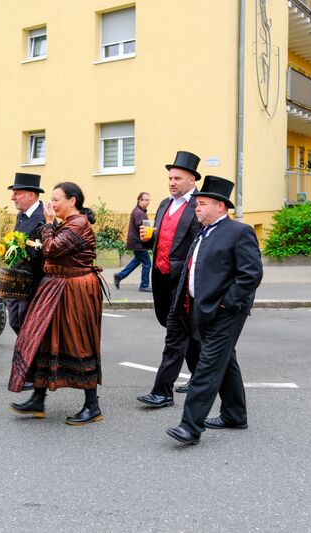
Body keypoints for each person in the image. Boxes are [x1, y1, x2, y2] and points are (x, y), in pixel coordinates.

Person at [165, 176, 263, 446]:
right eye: (197, 203)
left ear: (221, 207)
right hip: (202, 309)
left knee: (207, 366)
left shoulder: (239, 232)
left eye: (203, 203)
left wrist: (227, 303)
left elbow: (251, 275)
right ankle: (234, 415)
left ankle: (190, 426)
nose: (197, 208)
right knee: (225, 361)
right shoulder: (203, 231)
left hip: (226, 312)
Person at [8, 182, 105, 426]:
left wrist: (49, 224)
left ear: (72, 201)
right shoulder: (66, 223)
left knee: (78, 343)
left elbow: (52, 249)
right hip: (55, 286)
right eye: (51, 200)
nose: (52, 204)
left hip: (75, 290)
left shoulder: (79, 223)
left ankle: (92, 406)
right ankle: (38, 398)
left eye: (56, 199)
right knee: (41, 339)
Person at [136, 151, 202, 407]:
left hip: (184, 280)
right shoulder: (164, 203)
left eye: (177, 178)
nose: (172, 182)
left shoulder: (199, 204)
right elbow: (165, 238)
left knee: (175, 334)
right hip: (162, 275)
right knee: (181, 329)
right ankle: (200, 377)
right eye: (170, 178)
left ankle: (163, 391)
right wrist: (150, 238)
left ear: (192, 180)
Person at [5, 173, 46, 334]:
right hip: (18, 281)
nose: (12, 198)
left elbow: (44, 251)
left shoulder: (43, 218)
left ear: (31, 195)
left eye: (17, 193)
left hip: (33, 283)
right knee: (15, 320)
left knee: (26, 323)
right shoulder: (21, 216)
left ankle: (31, 356)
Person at [114, 192, 152, 292]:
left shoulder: (140, 211)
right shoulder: (139, 213)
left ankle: (119, 276)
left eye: (149, 200)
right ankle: (144, 285)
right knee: (147, 263)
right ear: (140, 200)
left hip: (136, 242)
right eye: (146, 200)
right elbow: (142, 227)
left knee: (137, 260)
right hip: (138, 243)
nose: (148, 202)